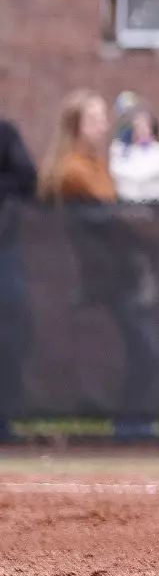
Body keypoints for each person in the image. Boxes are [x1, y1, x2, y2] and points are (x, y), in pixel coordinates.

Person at [37, 91, 159, 438]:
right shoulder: (73, 170)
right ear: (75, 126)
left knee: (143, 348)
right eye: (93, 119)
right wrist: (135, 221)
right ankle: (130, 424)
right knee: (144, 348)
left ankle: (133, 421)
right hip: (104, 274)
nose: (103, 125)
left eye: (102, 117)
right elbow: (113, 214)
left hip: (121, 270)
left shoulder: (99, 163)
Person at [0, 113, 35, 439]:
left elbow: (27, 179)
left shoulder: (5, 133)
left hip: (2, 250)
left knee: (12, 331)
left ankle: (3, 417)